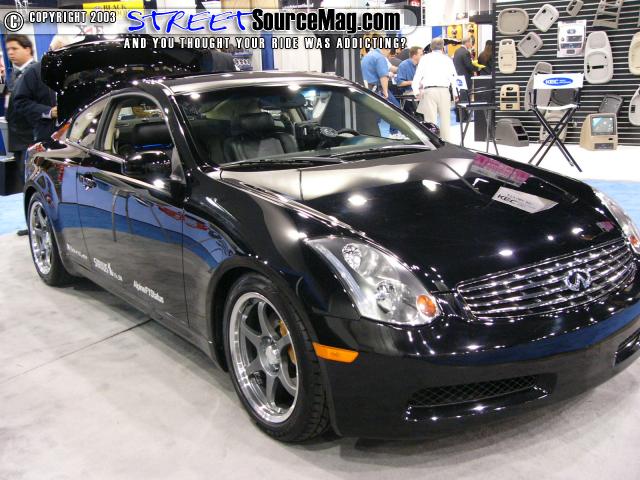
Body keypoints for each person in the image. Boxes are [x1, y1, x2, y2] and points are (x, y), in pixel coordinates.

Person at [4, 35, 35, 236]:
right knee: (25, 182)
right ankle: (31, 221)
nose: (10, 53)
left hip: (30, 138)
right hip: (17, 138)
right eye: (8, 50)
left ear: (28, 49)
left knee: (33, 182)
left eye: (14, 49)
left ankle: (37, 221)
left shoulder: (35, 72)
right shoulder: (15, 74)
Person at [412, 37, 459, 142]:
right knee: (445, 120)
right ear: (443, 47)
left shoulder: (424, 59)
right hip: (444, 91)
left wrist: (416, 91)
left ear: (431, 47)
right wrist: (456, 93)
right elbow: (453, 77)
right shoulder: (447, 59)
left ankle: (432, 143)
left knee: (430, 121)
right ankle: (446, 143)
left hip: (429, 91)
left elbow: (417, 76)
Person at [361, 45, 400, 137]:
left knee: (376, 112)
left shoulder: (368, 55)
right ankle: (393, 133)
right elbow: (383, 76)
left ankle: (379, 133)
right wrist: (385, 92)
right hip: (377, 88)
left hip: (368, 88)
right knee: (395, 108)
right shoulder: (380, 58)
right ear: (387, 49)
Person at [453, 36, 479, 120]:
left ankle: (460, 116)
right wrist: (477, 68)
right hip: (466, 77)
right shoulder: (465, 52)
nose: (471, 44)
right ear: (467, 42)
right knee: (466, 97)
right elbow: (469, 65)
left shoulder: (457, 51)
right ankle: (465, 117)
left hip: (459, 77)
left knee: (461, 96)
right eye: (471, 42)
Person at [395, 46, 423, 116]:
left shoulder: (421, 65)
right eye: (421, 55)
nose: (423, 56)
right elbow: (400, 83)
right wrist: (413, 82)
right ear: (414, 56)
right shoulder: (404, 65)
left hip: (420, 90)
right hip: (409, 91)